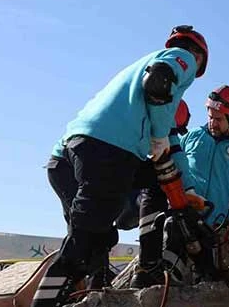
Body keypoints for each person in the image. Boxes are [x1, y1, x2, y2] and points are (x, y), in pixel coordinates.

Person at [31, 25, 208, 307]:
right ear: (199, 58)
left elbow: (172, 154)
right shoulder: (181, 58)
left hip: (78, 152)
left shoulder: (135, 89)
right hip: (108, 151)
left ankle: (117, 279)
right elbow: (160, 80)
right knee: (85, 244)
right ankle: (146, 270)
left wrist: (184, 190)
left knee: (101, 237)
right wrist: (161, 136)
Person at [45, 100, 190, 289]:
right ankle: (73, 286)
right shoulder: (145, 118)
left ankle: (141, 268)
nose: (170, 138)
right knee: (87, 234)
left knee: (155, 180)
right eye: (171, 131)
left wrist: (188, 191)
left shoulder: (146, 120)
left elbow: (175, 156)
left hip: (93, 160)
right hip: (70, 164)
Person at [158, 85, 229, 283]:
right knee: (172, 235)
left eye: (219, 119)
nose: (213, 122)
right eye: (210, 116)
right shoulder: (193, 137)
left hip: (215, 227)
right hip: (185, 213)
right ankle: (166, 283)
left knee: (207, 279)